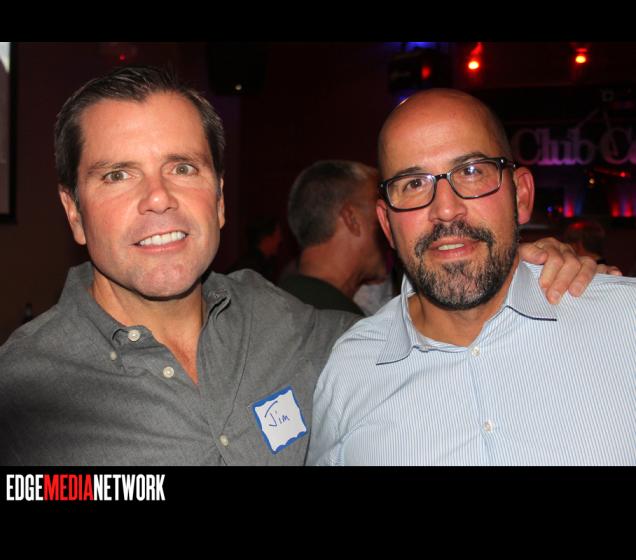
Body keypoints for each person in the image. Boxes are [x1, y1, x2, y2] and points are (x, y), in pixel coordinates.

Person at [0, 67, 606, 466]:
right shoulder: (20, 393)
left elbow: (434, 328)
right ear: (73, 212)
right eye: (117, 174)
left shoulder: (308, 336)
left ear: (219, 199)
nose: (158, 198)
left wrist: (519, 265)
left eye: (183, 167)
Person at [308, 88, 634, 466]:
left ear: (521, 196)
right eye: (414, 183)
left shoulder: (624, 323)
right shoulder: (350, 372)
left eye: (472, 172)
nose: (446, 209)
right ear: (386, 224)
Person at [280, 160, 388, 315]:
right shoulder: (341, 322)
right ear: (351, 219)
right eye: (380, 211)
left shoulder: (275, 303)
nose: (390, 224)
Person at [227, 216, 283, 282]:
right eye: (277, 235)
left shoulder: (263, 263)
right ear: (266, 238)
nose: (280, 239)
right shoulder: (252, 268)